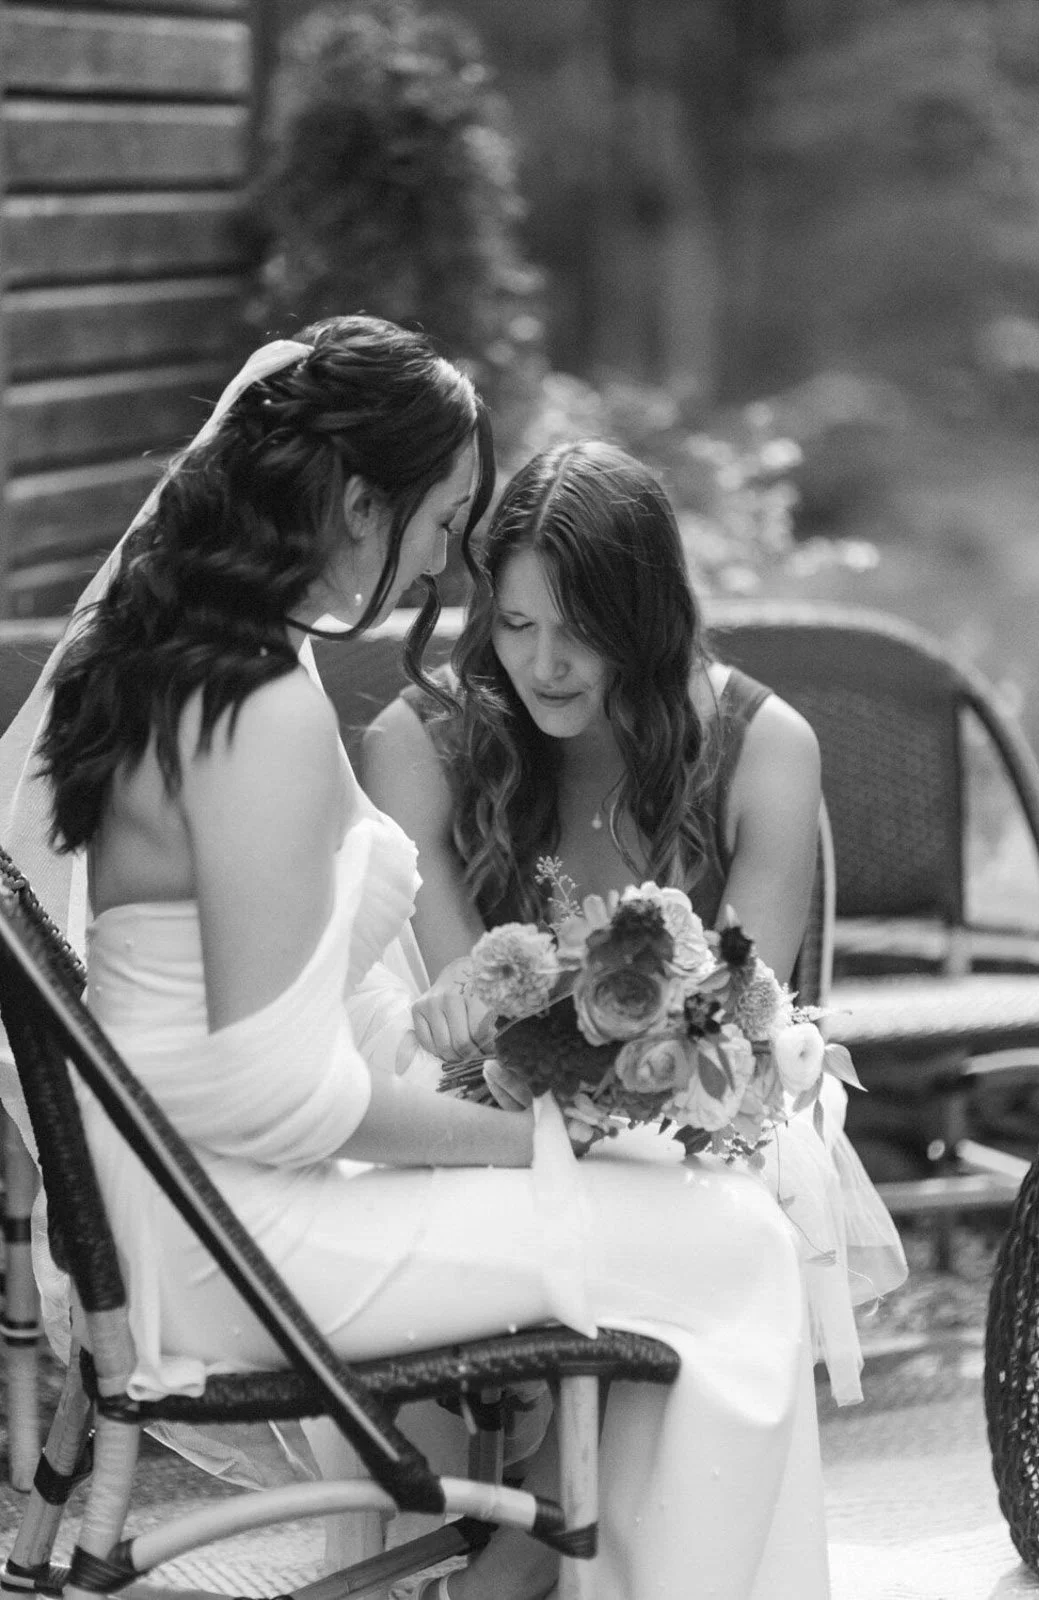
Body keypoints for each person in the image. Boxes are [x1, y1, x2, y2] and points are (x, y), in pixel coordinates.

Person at [3, 332, 832, 1600]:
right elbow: (268, 1097)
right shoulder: (258, 708)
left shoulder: (193, 663)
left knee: (710, 1228)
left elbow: (276, 1021)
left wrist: (460, 1036)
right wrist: (551, 1143)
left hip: (193, 1206)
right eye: (445, 520)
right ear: (357, 505)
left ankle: (557, 1568)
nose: (449, 558)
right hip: (238, 1234)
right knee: (727, 1249)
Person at [364, 437, 908, 1409]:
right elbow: (467, 1027)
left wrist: (631, 1080)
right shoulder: (418, 746)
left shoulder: (763, 749)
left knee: (697, 1231)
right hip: (491, 1110)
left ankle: (574, 1531)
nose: (542, 664)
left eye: (578, 629)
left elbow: (738, 1023)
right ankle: (532, 1509)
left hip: (699, 1116)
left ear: (643, 619)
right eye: (517, 623)